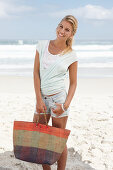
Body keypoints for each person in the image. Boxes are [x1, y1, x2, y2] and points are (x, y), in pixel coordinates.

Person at [33, 15, 78, 170]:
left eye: (67, 30)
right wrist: (39, 99)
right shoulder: (42, 45)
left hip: (59, 100)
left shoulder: (71, 55)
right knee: (41, 138)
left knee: (59, 141)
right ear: (57, 27)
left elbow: (73, 83)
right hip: (41, 99)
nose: (62, 31)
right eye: (61, 26)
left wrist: (64, 106)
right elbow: (36, 74)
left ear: (72, 34)